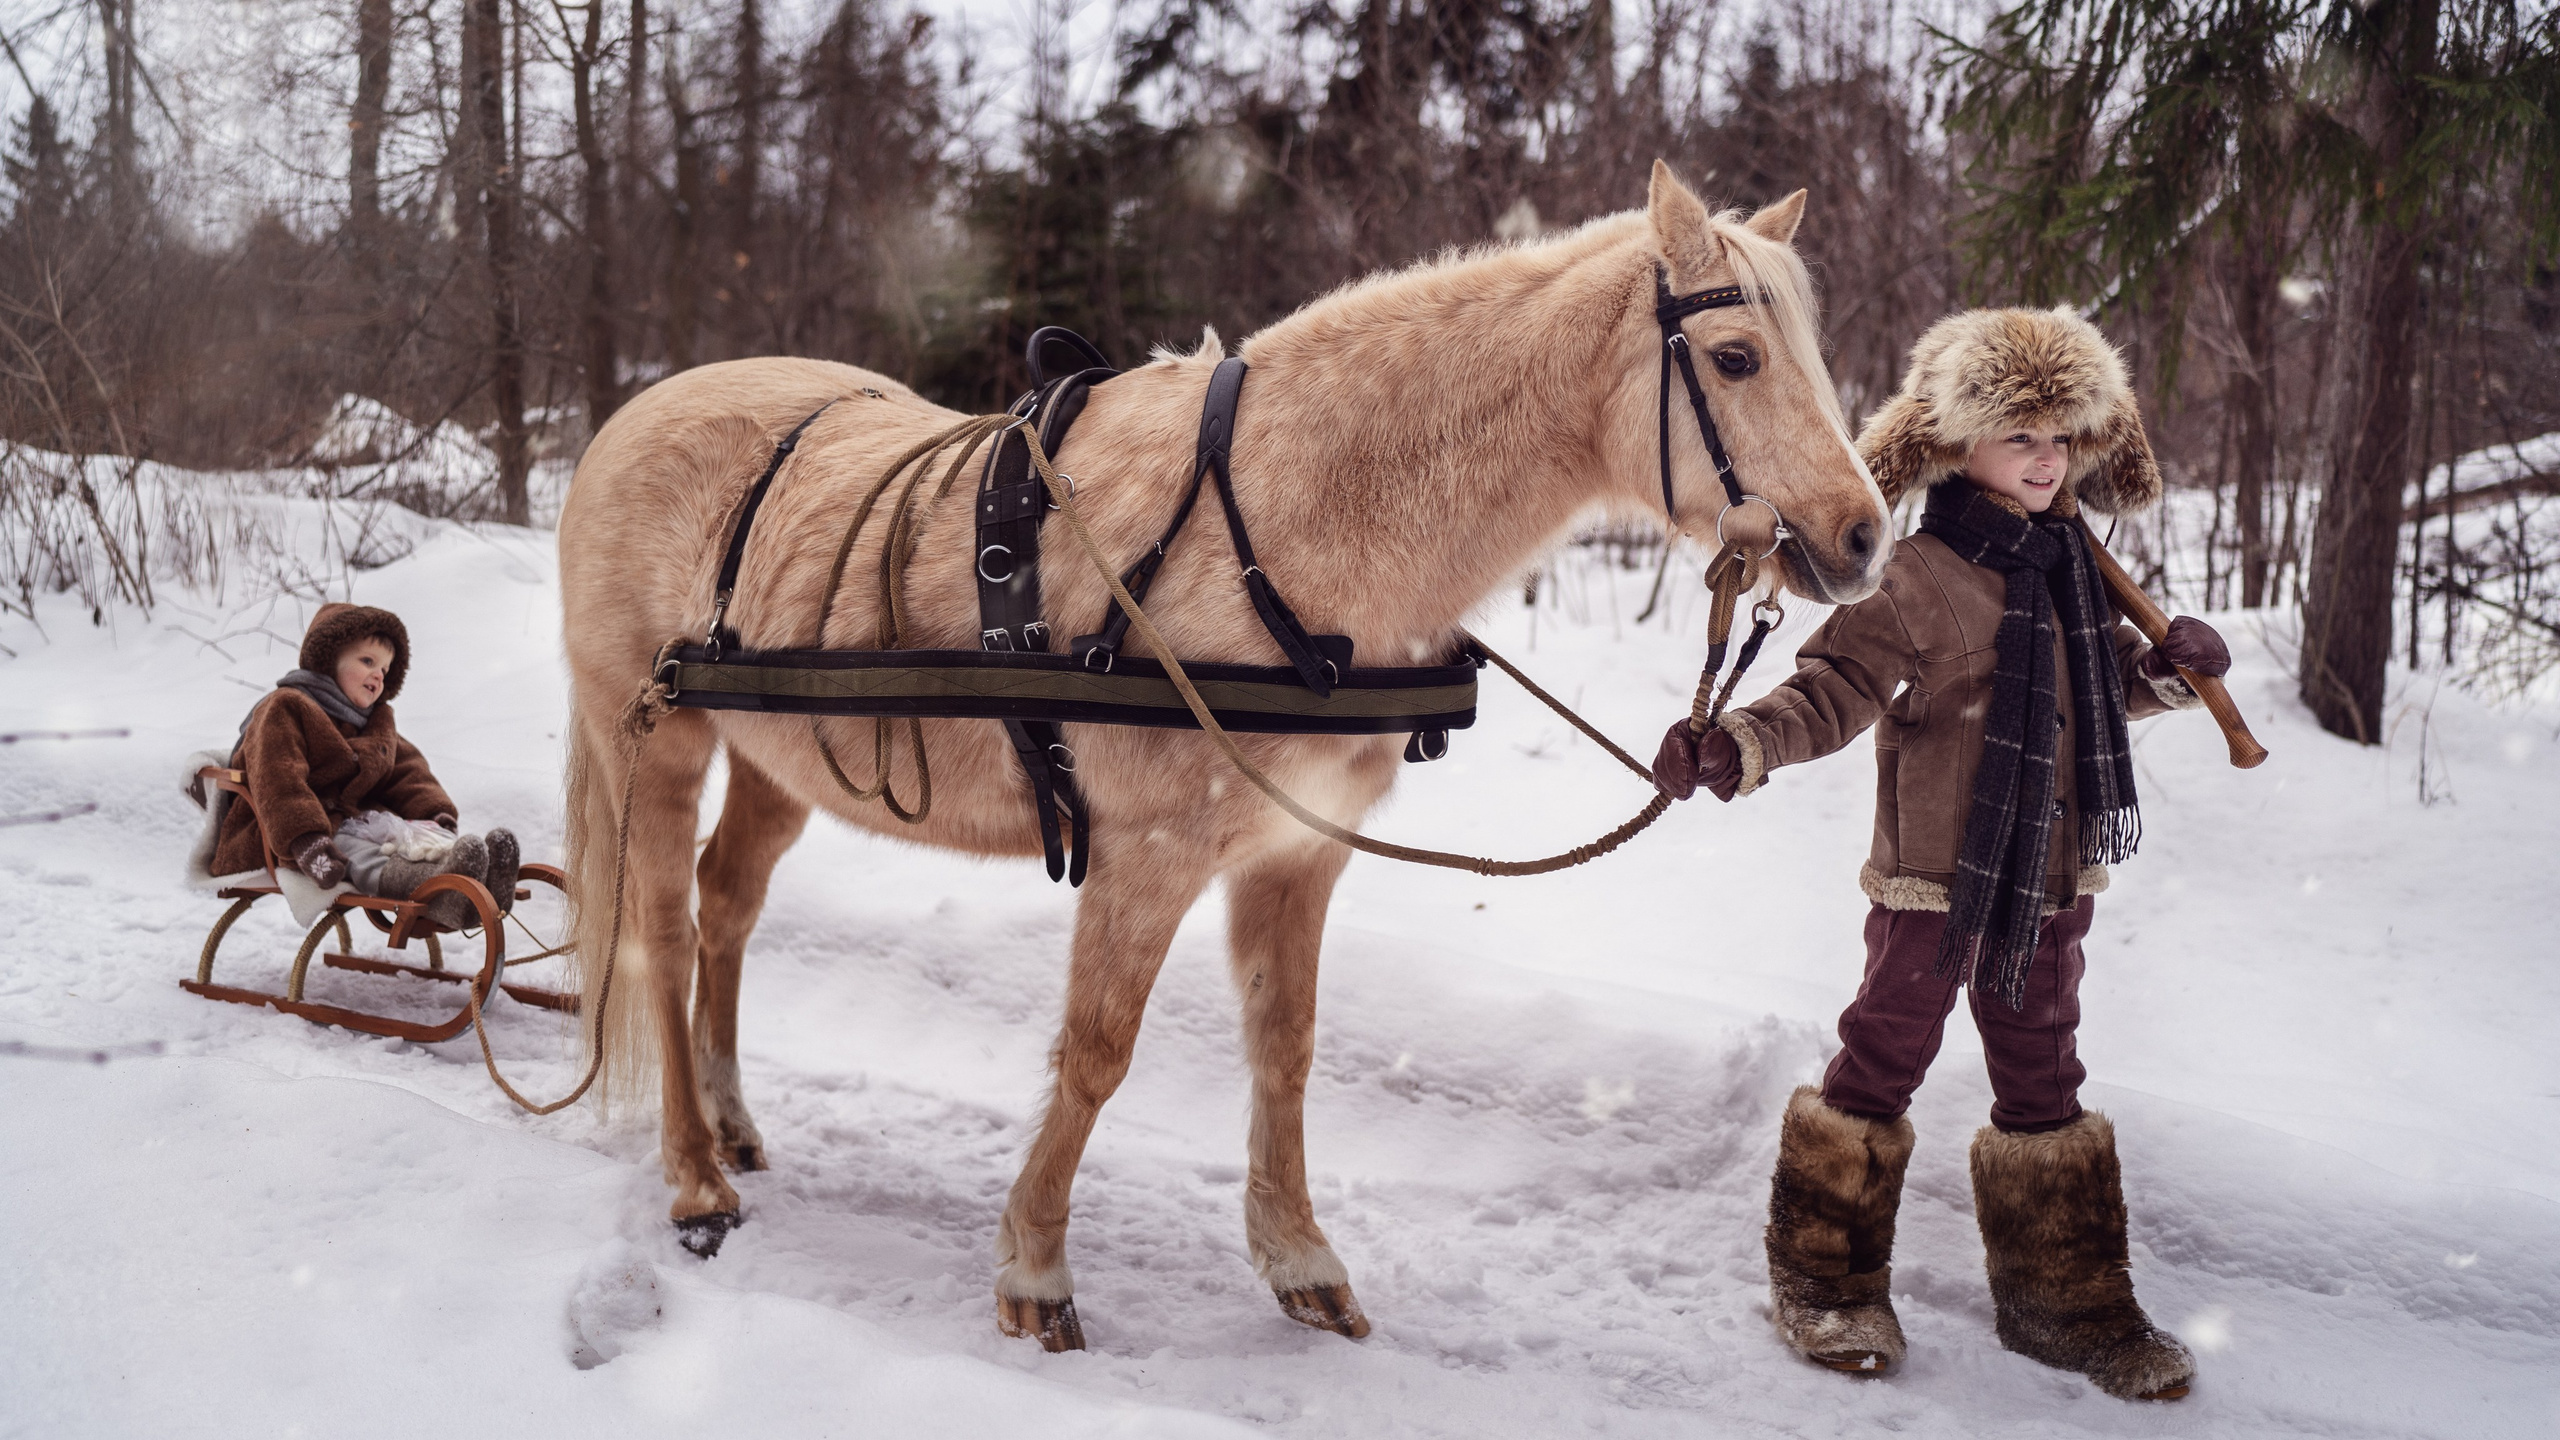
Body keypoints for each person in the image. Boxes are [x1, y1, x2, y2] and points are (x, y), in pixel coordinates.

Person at [1653, 308, 2230, 1401]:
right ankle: (1824, 1275)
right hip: (1935, 884)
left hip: (2051, 882)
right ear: (1959, 445)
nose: (2046, 458)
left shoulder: (2071, 569)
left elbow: (2095, 687)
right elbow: (1830, 691)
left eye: (2062, 438)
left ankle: (2066, 1300)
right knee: (1881, 1058)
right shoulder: (1915, 577)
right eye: (2020, 436)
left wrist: (2166, 673)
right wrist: (1738, 744)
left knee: (2045, 1075)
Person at [209, 603, 518, 930]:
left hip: (357, 823)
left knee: (410, 841)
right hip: (288, 836)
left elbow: (409, 773)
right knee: (364, 851)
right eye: (367, 661)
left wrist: (434, 816)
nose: (377, 675)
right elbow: (278, 779)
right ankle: (443, 889)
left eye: (384, 670)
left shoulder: (375, 724)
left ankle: (476, 886)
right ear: (329, 662)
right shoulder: (286, 707)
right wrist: (306, 839)